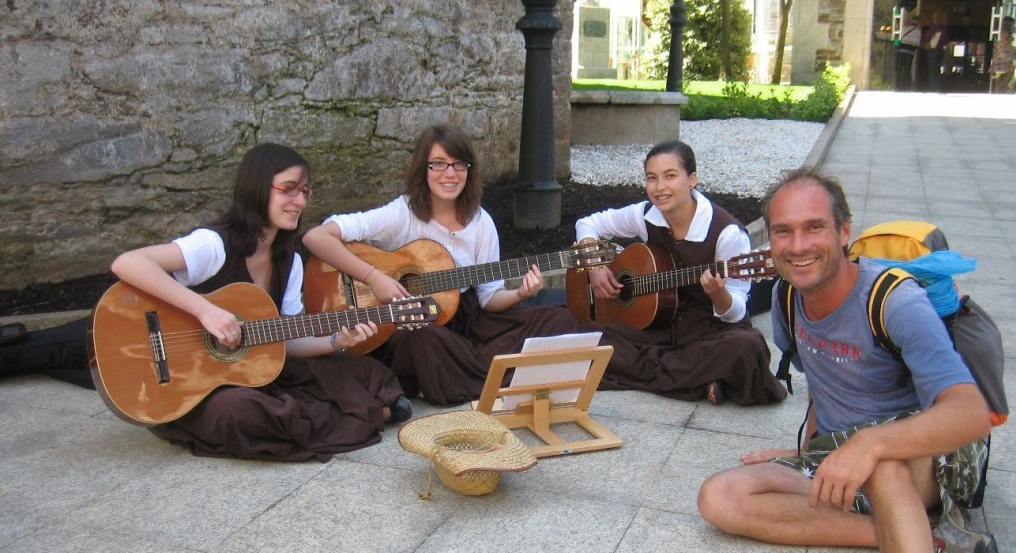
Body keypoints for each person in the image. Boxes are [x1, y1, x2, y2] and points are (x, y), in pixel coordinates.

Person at [697, 168, 1004, 553]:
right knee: (721, 497)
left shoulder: (893, 299)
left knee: (880, 466)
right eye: (783, 232)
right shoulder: (789, 303)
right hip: (842, 451)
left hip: (924, 455)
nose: (797, 245)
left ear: (844, 232)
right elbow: (824, 384)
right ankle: (925, 543)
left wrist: (869, 447)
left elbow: (969, 413)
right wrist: (805, 450)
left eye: (813, 228)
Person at [110, 143, 411, 461]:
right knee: (239, 411)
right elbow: (128, 263)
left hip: (250, 369)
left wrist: (336, 340)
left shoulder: (289, 262)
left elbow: (285, 340)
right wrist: (206, 311)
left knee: (366, 371)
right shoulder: (214, 245)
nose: (299, 201)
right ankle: (357, 416)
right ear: (257, 187)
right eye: (288, 189)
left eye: (304, 191)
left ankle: (345, 415)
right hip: (193, 385)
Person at [302, 123, 580, 406]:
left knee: (559, 320)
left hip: (468, 321)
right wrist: (373, 277)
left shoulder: (481, 222)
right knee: (420, 336)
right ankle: (479, 375)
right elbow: (317, 237)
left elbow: (489, 298)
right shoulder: (403, 214)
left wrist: (521, 294)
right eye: (438, 164)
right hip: (418, 329)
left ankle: (456, 375)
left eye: (459, 164)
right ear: (424, 169)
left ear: (469, 170)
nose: (450, 174)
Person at [573, 139, 787, 406]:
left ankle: (673, 372)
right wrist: (594, 266)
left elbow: (737, 313)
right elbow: (588, 223)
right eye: (652, 178)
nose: (659, 187)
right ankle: (701, 378)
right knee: (582, 334)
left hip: (709, 331)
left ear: (692, 179)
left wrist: (719, 294)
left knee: (747, 346)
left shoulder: (726, 233)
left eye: (670, 176)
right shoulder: (646, 214)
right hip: (658, 326)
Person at [894, 13, 921, 92]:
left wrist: (896, 46)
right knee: (907, 69)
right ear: (918, 22)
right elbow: (917, 44)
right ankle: (905, 88)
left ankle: (897, 87)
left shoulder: (904, 28)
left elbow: (898, 39)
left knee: (898, 69)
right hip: (909, 52)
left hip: (900, 50)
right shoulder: (918, 31)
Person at [990, 16, 1016, 94]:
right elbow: (1006, 42)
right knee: (1005, 78)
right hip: (1004, 57)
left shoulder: (1002, 33)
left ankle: (999, 91)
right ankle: (1001, 91)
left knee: (1000, 79)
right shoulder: (1006, 33)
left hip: (1001, 57)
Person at [924, 10, 949, 92]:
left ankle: (933, 89)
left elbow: (928, 39)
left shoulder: (935, 28)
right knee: (936, 71)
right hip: (940, 51)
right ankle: (935, 88)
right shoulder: (944, 29)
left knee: (932, 71)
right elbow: (945, 41)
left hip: (933, 51)